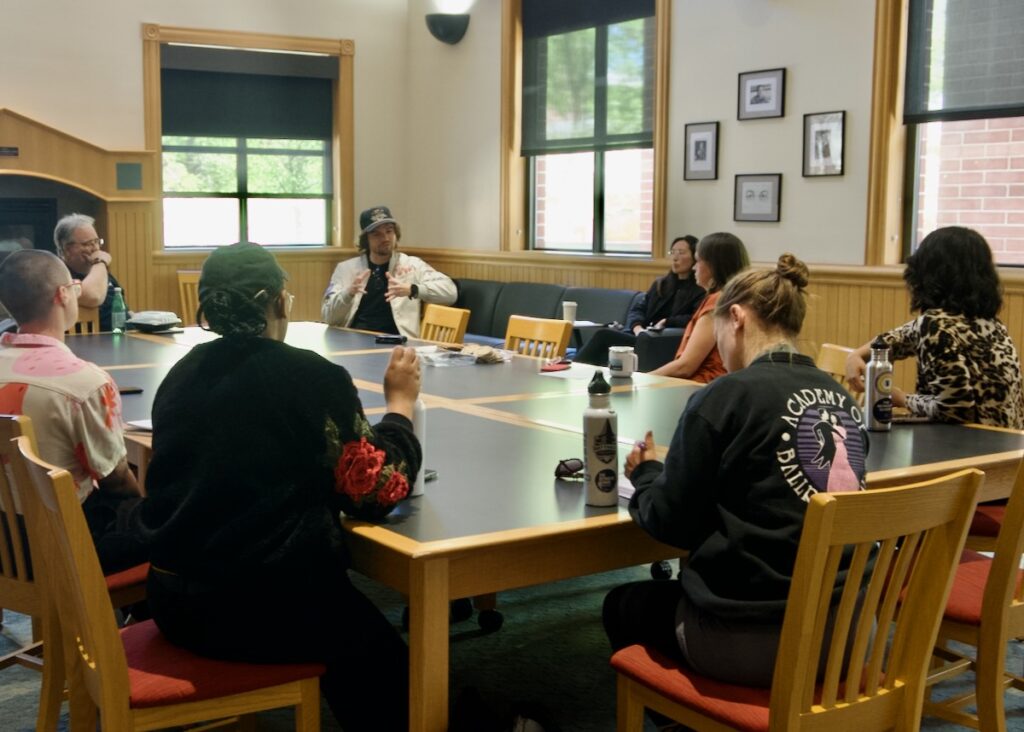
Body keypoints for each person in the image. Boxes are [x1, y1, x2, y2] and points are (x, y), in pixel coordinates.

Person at [131, 242, 421, 731]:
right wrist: (400, 407)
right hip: (258, 610)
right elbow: (377, 491)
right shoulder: (309, 376)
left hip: (172, 599)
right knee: (389, 668)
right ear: (280, 301)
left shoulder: (181, 374)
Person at [604, 253, 868, 689]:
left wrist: (647, 474)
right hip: (848, 632)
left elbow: (670, 523)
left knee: (623, 604)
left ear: (737, 318)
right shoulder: (840, 398)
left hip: (755, 641)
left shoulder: (725, 396)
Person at [0, 250, 146, 574]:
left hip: (5, 545)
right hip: (61, 545)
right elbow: (116, 481)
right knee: (157, 522)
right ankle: (121, 618)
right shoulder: (84, 383)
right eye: (76, 288)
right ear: (62, 294)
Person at [845, 226, 1024, 429]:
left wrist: (901, 398)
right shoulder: (991, 324)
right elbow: (902, 337)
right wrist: (856, 355)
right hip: (1011, 450)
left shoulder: (935, 324)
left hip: (974, 449)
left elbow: (954, 410)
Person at [322, 205, 457, 338]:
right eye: (377, 234)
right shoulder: (346, 269)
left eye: (389, 231)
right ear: (365, 240)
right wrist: (348, 293)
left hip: (398, 344)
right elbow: (328, 317)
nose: (385, 238)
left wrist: (413, 289)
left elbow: (451, 293)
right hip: (354, 341)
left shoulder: (412, 265)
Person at [573, 235, 706, 367]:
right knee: (605, 346)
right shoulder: (662, 284)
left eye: (681, 253)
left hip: (662, 339)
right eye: (673, 252)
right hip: (641, 335)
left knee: (603, 336)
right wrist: (638, 328)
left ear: (695, 258)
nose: (675, 257)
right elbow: (638, 309)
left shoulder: (699, 290)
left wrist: (667, 322)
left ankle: (574, 368)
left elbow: (695, 318)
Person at [649, 232, 749, 382]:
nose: (694, 268)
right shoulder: (741, 297)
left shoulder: (717, 302)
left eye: (698, 261)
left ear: (713, 266)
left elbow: (686, 367)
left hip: (703, 385)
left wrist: (643, 378)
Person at [54, 213, 129, 332]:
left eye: (96, 242)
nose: (95, 248)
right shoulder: (58, 274)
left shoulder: (99, 271)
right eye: (87, 244)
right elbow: (93, 296)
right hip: (90, 343)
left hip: (123, 335)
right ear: (67, 249)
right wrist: (100, 262)